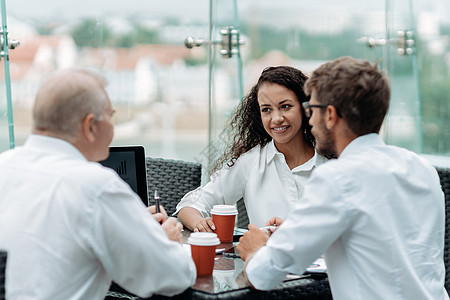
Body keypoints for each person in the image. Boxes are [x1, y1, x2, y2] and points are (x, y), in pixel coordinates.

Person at [236, 56, 448, 300]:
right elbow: (380, 248)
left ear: (330, 115)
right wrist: (301, 231)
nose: (310, 121)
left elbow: (263, 275)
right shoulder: (422, 169)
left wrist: (255, 251)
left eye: (311, 110)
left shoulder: (336, 178)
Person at [0, 69, 196, 299]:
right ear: (90, 126)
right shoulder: (95, 187)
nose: (113, 128)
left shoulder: (5, 164)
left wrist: (131, 223)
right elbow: (173, 278)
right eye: (111, 117)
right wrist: (167, 242)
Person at [175, 66, 327, 231]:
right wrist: (199, 223)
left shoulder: (331, 163)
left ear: (305, 108)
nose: (276, 118)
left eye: (286, 106)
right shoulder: (251, 161)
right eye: (266, 110)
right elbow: (191, 204)